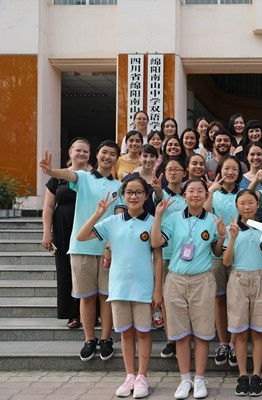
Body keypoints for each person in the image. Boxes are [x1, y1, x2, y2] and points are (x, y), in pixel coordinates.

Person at [77, 176, 162, 399]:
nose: (133, 196)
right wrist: (98, 213)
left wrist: (158, 290)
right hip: (119, 287)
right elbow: (81, 236)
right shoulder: (112, 222)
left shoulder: (153, 221)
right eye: (129, 192)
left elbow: (158, 257)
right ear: (123, 196)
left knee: (143, 333)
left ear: (146, 196)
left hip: (143, 287)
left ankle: (142, 376)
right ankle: (130, 375)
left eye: (138, 192)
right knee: (125, 333)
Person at [39, 140, 124, 362]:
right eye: (104, 152)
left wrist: (110, 246)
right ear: (97, 154)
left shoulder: (119, 187)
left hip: (106, 250)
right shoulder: (84, 178)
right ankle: (89, 339)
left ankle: (106, 339)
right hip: (81, 246)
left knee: (106, 296)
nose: (107, 157)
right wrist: (50, 171)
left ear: (117, 159)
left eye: (112, 154)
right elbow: (68, 175)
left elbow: (119, 218)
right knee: (86, 297)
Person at [151, 179, 227, 400]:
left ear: (206, 195)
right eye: (191, 191)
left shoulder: (212, 220)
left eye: (200, 191)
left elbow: (217, 252)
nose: (195, 194)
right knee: (181, 333)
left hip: (202, 280)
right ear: (184, 196)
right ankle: (185, 379)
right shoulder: (173, 218)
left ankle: (200, 379)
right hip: (176, 280)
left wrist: (222, 236)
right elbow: (155, 242)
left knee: (202, 333)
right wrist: (158, 216)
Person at [222, 189, 262, 397]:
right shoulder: (232, 229)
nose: (247, 206)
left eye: (251, 202)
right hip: (238, 279)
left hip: (260, 278)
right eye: (242, 203)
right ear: (237, 206)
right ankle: (243, 375)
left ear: (257, 205)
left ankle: (257, 375)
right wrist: (233, 238)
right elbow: (226, 262)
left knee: (258, 332)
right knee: (241, 332)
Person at [42, 138, 91, 329]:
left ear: (90, 154)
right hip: (63, 228)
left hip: (86, 229)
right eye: (78, 150)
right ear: (70, 152)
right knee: (65, 269)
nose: (81, 154)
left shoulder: (93, 177)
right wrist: (47, 232)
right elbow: (48, 207)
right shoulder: (57, 178)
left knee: (86, 270)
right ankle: (72, 314)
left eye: (85, 151)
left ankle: (90, 313)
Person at [204, 155, 245, 369]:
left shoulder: (243, 194)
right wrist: (210, 191)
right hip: (217, 251)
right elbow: (203, 212)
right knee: (219, 298)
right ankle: (223, 343)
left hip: (239, 252)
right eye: (226, 168)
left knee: (237, 300)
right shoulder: (213, 193)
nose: (230, 172)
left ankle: (234, 343)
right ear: (219, 170)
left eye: (234, 169)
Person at [151, 157, 188, 358]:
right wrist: (158, 190)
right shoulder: (161, 194)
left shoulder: (189, 194)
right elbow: (158, 197)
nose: (173, 172)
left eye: (177, 169)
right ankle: (170, 339)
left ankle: (186, 337)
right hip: (166, 254)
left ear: (184, 173)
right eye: (169, 169)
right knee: (167, 299)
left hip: (188, 255)